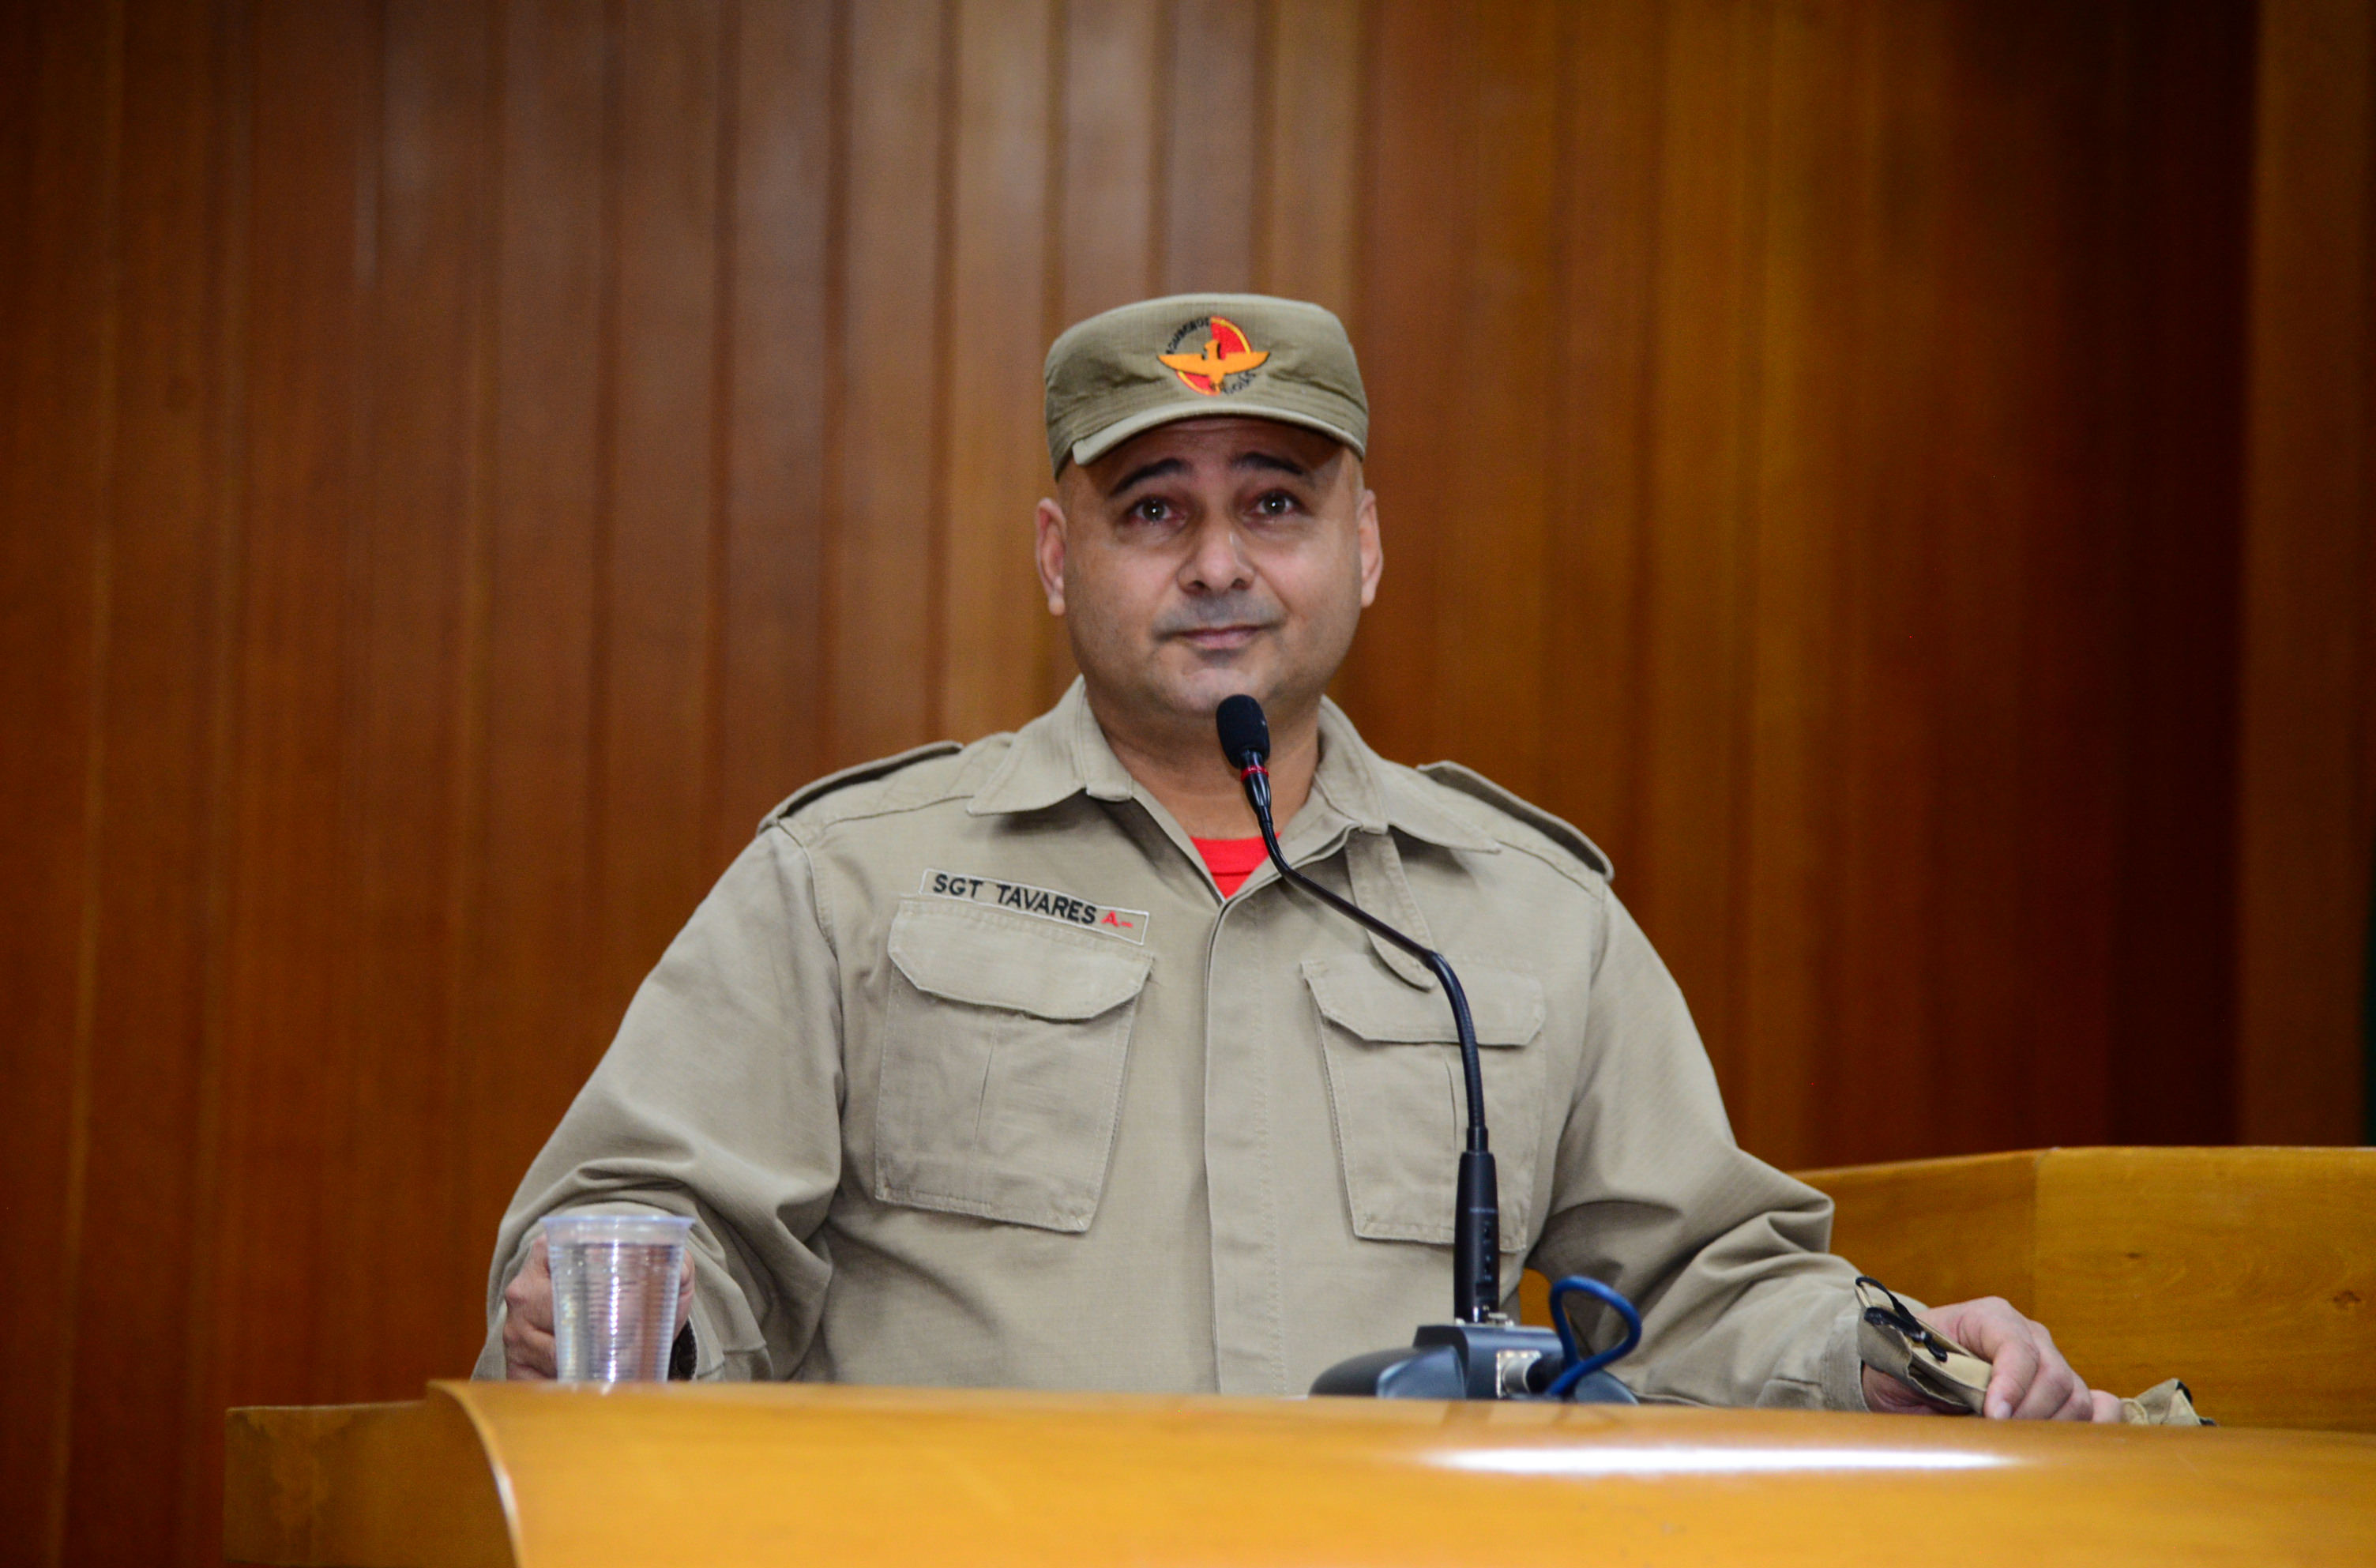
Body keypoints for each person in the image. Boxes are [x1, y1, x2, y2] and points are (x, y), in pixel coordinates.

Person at [478, 293, 2118, 1420]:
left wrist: (1899, 1355)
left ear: (1365, 543)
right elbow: (653, 1229)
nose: (1217, 564)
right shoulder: (851, 876)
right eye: (1151, 510)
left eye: (1275, 504)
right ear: (1056, 555)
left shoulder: (1530, 915)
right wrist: (618, 1315)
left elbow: (1699, 1287)